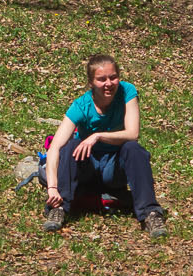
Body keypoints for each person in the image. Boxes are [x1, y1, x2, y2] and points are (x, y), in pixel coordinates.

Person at [42, 53, 169, 237]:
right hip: (88, 168)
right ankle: (59, 208)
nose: (108, 83)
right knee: (71, 146)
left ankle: (150, 213)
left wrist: (97, 136)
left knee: (133, 149)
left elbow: (132, 134)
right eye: (101, 79)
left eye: (113, 77)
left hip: (114, 170)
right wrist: (52, 187)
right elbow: (55, 148)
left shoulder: (127, 92)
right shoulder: (81, 106)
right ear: (91, 83)